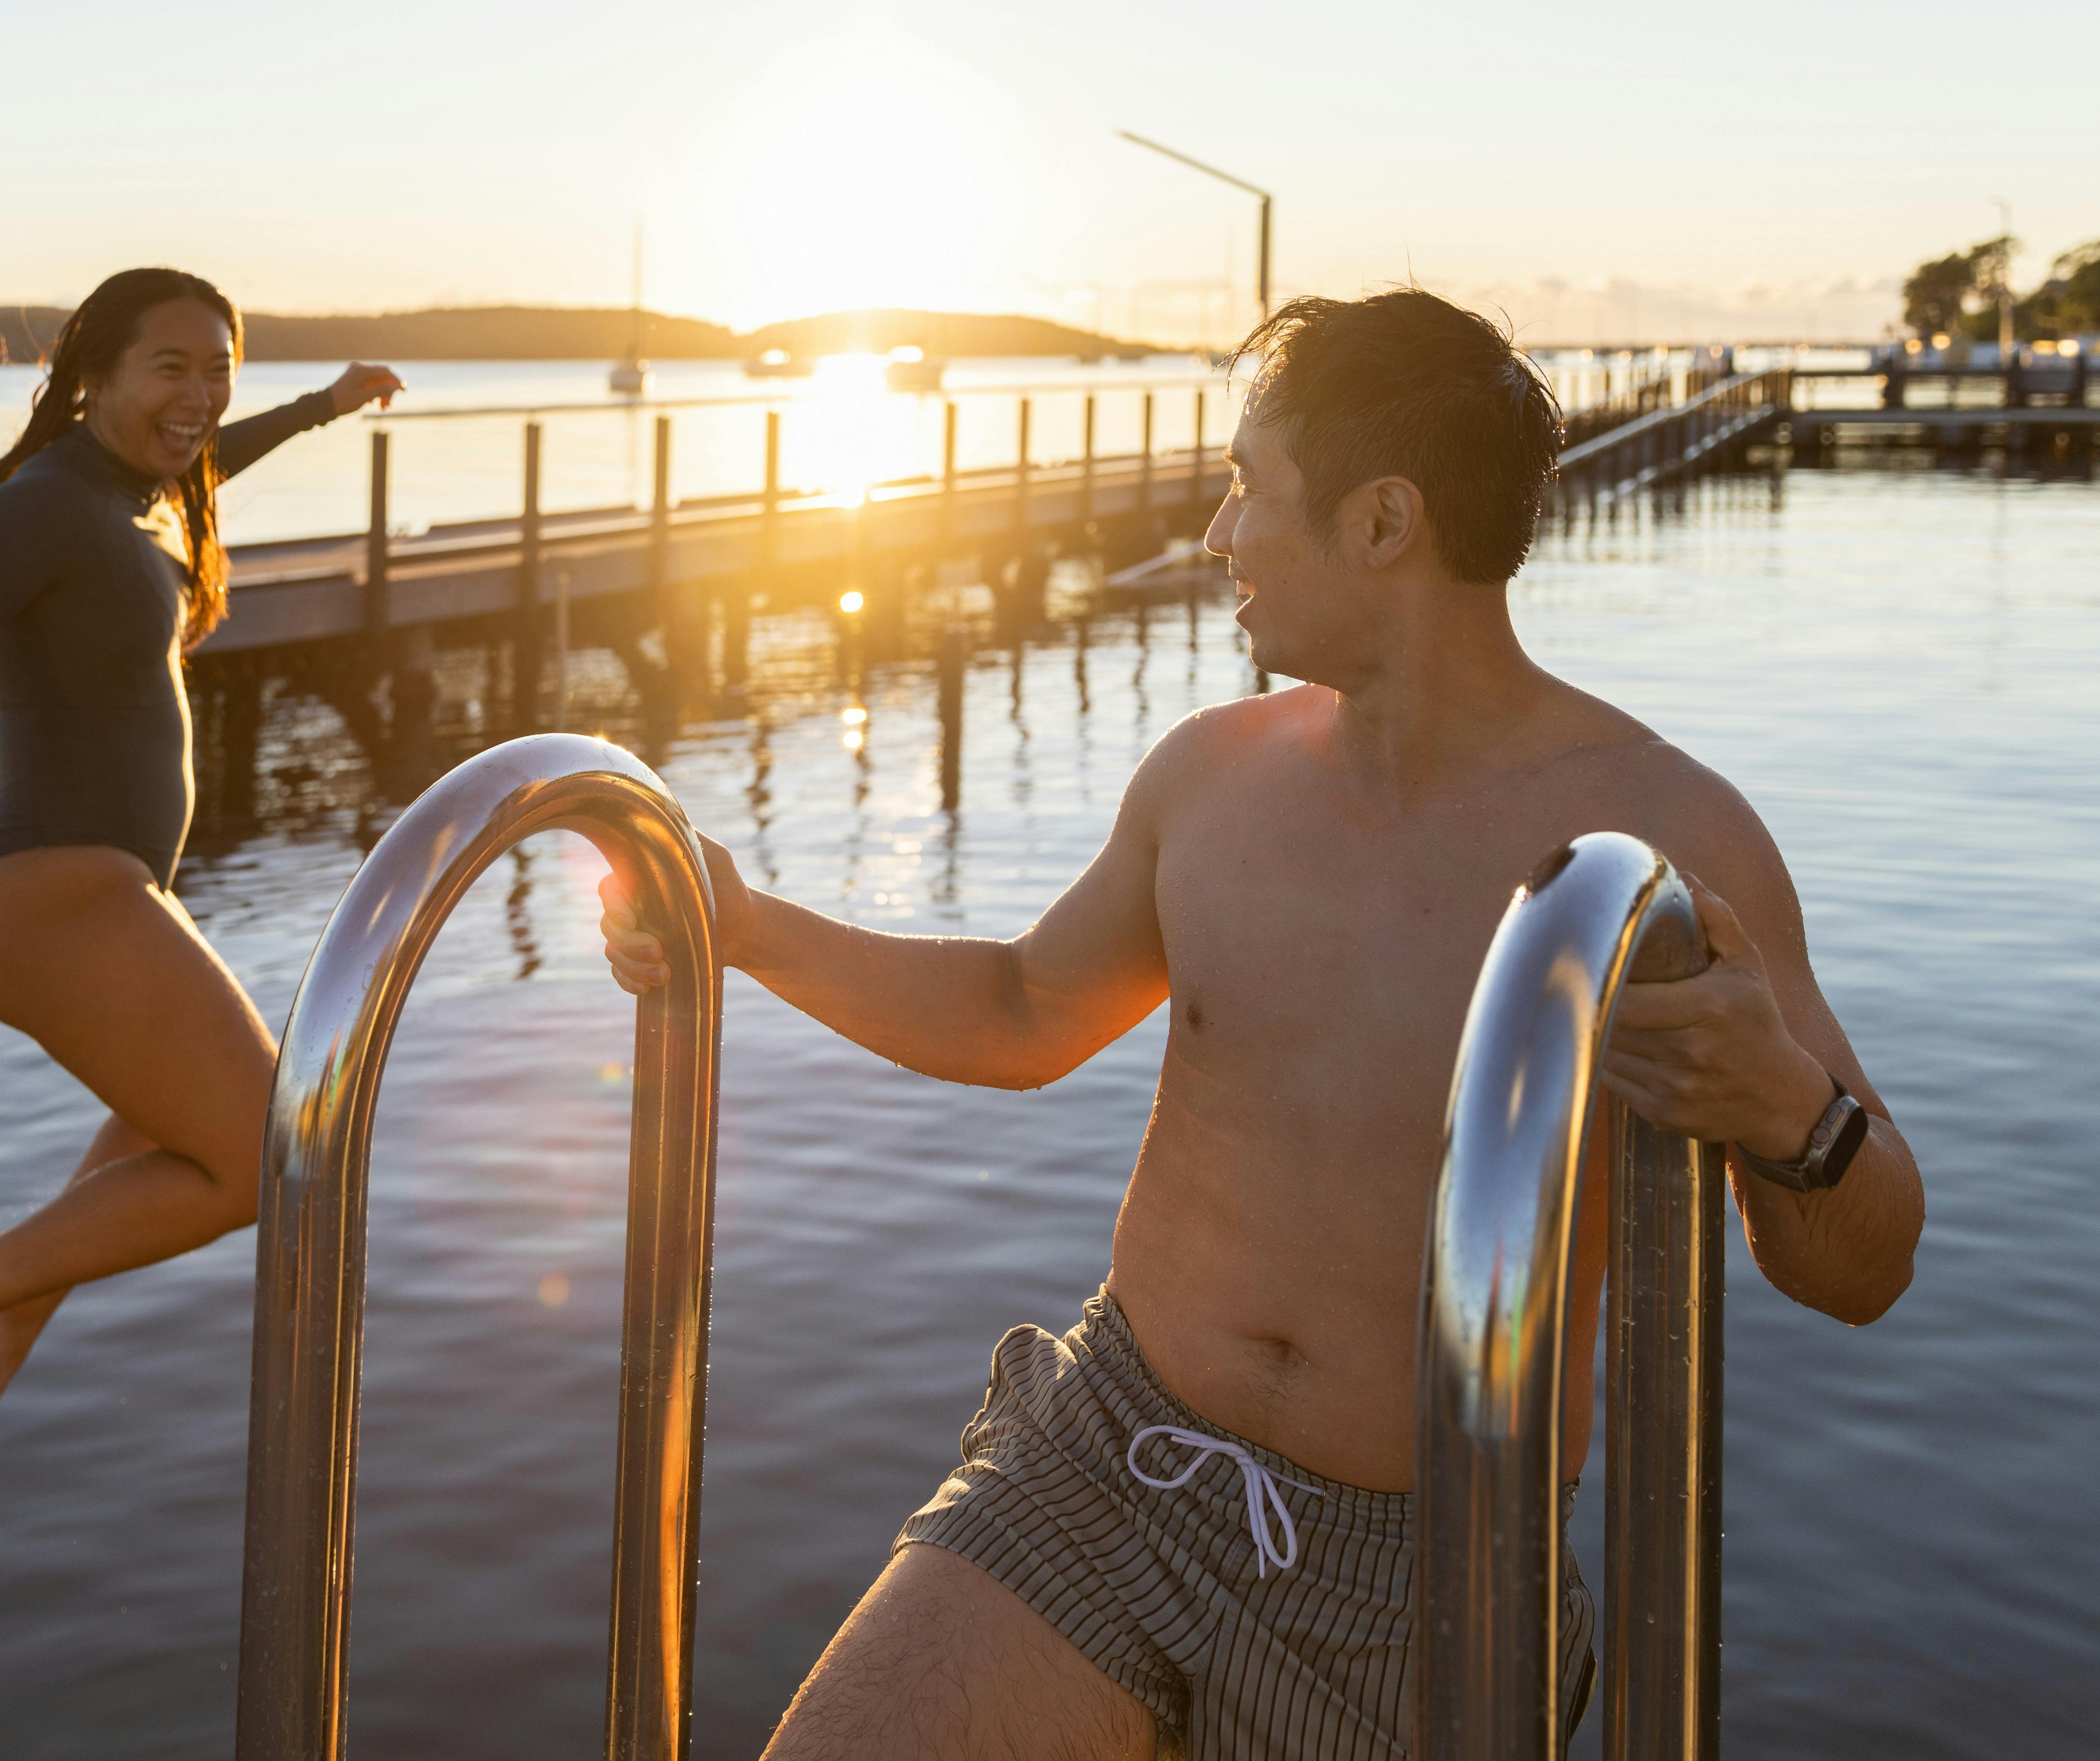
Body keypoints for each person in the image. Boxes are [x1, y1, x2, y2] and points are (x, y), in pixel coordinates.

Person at [600, 290, 1924, 1760]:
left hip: (1415, 1575)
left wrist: (1790, 1117)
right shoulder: (1209, 780)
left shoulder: (1662, 846)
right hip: (1109, 1463)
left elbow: (1863, 1271)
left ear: (1382, 524)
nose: (1219, 536)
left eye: (1246, 487)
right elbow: (1022, 1010)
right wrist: (753, 930)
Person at [0, 265, 400, 1503]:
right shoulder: (42, 504)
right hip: (46, 891)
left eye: (220, 369)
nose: (202, 395)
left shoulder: (145, 491)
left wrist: (319, 406)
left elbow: (212, 456)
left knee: (170, 1135)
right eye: (173, 367)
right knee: (267, 1148)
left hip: (99, 894)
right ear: (92, 376)